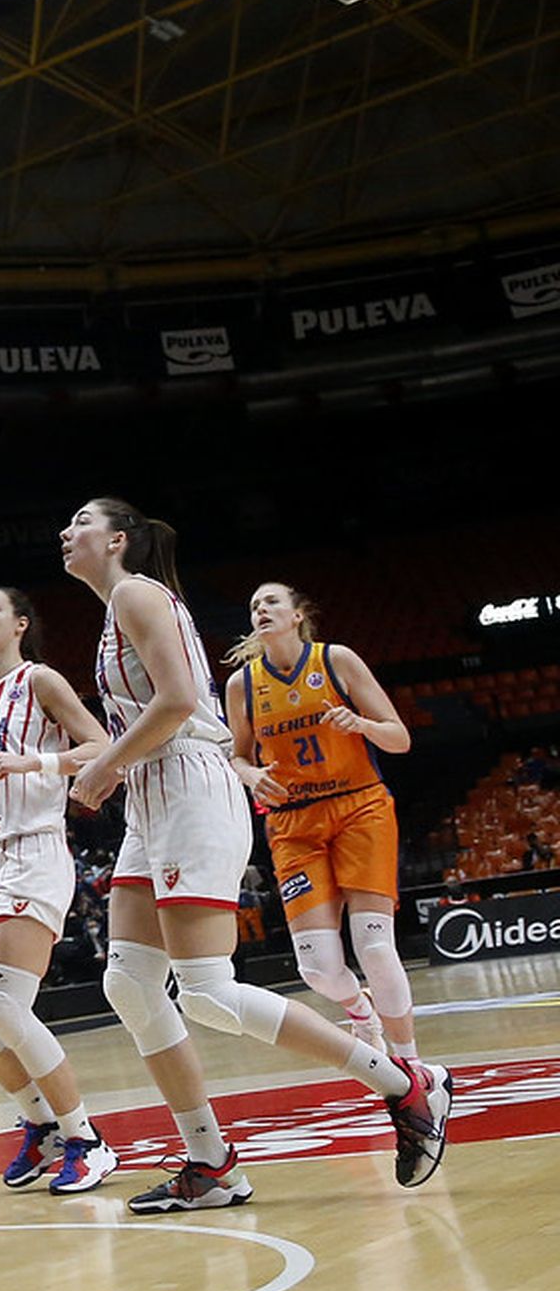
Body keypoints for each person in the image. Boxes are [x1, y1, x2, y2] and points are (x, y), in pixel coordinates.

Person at [59, 497, 452, 1209]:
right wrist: (72, 763)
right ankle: (211, 1162)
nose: (66, 531)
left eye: (81, 521)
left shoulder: (137, 593)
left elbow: (178, 701)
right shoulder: (118, 608)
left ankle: (403, 1082)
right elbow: (148, 720)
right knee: (128, 983)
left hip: (188, 787)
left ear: (119, 539)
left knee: (205, 991)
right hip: (155, 795)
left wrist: (108, 763)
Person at [0, 587, 120, 1196]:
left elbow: (101, 746)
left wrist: (36, 764)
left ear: (20, 624)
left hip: (34, 852)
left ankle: (87, 1138)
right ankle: (40, 1118)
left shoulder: (42, 681)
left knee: (6, 1005)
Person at [224, 582, 421, 1061]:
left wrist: (362, 725)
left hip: (360, 808)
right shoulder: (242, 684)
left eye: (271, 601)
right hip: (293, 824)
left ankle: (410, 1063)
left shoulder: (337, 661)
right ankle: (360, 1012)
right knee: (316, 968)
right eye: (253, 605)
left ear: (297, 615)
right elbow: (236, 756)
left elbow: (399, 739)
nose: (261, 609)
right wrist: (250, 775)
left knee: (374, 946)